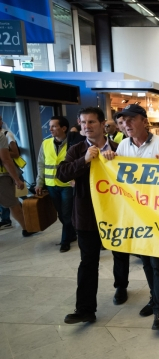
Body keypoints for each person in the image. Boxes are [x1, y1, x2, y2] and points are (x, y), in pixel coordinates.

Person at [102, 104, 159, 330]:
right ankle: (154, 299)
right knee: (145, 262)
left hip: (157, 213)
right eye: (123, 122)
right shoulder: (123, 145)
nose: (126, 125)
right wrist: (109, 160)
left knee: (158, 264)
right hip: (136, 215)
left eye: (131, 120)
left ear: (143, 121)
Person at [57, 107, 121, 324]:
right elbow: (62, 174)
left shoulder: (118, 148)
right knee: (88, 262)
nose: (87, 126)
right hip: (86, 216)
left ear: (103, 124)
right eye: (83, 122)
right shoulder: (76, 150)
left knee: (120, 256)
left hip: (115, 216)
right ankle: (85, 309)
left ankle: (121, 287)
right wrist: (84, 160)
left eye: (92, 122)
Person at [35, 116, 77, 252]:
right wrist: (39, 183)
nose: (50, 129)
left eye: (54, 126)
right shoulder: (45, 143)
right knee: (61, 213)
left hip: (67, 185)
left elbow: (76, 164)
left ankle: (65, 240)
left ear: (63, 128)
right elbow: (41, 164)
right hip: (51, 184)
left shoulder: (72, 144)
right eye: (50, 126)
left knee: (66, 213)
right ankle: (71, 234)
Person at [0, 129, 30, 236]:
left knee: (15, 201)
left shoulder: (7, 134)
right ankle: (26, 228)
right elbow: (6, 159)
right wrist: (16, 179)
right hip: (3, 176)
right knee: (13, 204)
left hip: (6, 175)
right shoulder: (1, 135)